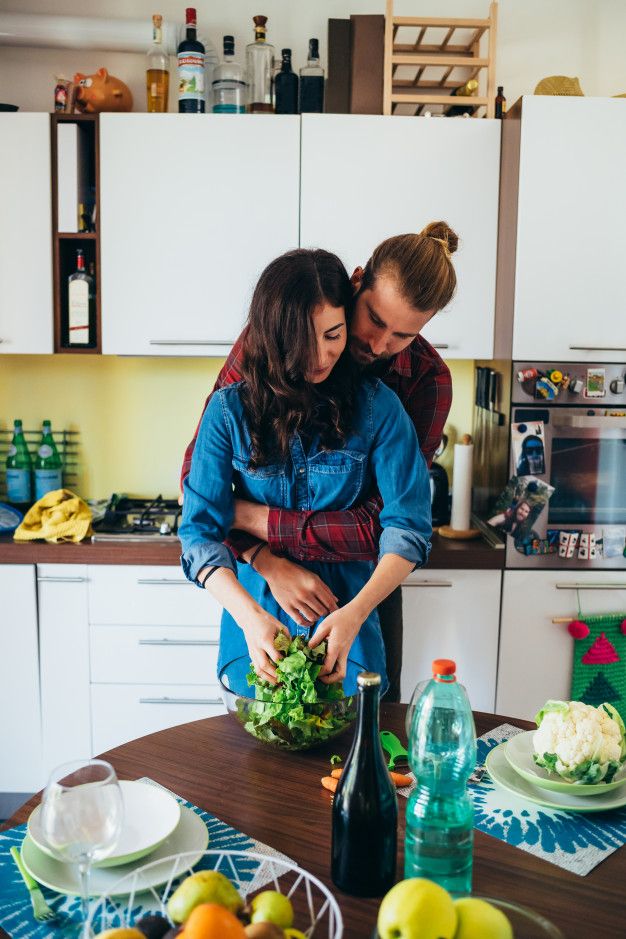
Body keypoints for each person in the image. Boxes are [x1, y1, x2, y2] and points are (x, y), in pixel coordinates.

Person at [180, 221, 458, 701]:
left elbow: (391, 523)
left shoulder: (415, 388)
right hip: (261, 579)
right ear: (357, 284)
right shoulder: (263, 352)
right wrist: (266, 560)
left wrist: (253, 517)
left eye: (403, 335)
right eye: (372, 319)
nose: (377, 345)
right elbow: (198, 503)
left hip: (360, 588)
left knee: (367, 743)